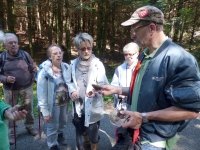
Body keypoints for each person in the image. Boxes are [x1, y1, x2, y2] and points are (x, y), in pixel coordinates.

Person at [98, 5, 200, 150]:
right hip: (134, 134)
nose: (132, 34)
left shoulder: (179, 59)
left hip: (154, 142)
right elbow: (143, 91)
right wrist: (117, 89)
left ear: (152, 28)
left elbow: (190, 111)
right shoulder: (144, 55)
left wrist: (144, 116)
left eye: (135, 29)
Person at [67, 32, 108, 150]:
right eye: (82, 49)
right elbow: (69, 81)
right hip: (78, 106)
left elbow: (104, 85)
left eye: (89, 48)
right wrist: (72, 91)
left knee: (93, 134)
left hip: (93, 107)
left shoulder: (98, 65)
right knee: (80, 131)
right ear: (77, 49)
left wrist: (95, 91)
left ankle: (94, 146)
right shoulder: (73, 65)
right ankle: (85, 144)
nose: (86, 51)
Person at [0, 33, 38, 144]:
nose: (13, 45)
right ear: (5, 45)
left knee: (28, 108)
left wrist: (34, 70)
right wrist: (5, 79)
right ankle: (12, 133)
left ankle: (30, 126)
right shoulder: (2, 57)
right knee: (11, 110)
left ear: (18, 44)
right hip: (10, 90)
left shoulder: (25, 54)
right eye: (10, 43)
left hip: (27, 87)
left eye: (15, 42)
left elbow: (32, 67)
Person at [37, 44, 70, 150]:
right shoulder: (44, 72)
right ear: (50, 56)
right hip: (52, 103)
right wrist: (45, 112)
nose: (58, 55)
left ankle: (59, 134)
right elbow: (41, 93)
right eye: (55, 53)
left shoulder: (66, 67)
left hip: (64, 100)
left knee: (63, 121)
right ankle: (52, 144)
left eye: (60, 53)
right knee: (52, 125)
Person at [111, 42, 139, 108]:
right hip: (122, 104)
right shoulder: (119, 69)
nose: (128, 56)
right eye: (126, 54)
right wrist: (118, 93)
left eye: (130, 54)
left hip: (136, 105)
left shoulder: (141, 67)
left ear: (137, 54)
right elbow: (113, 85)